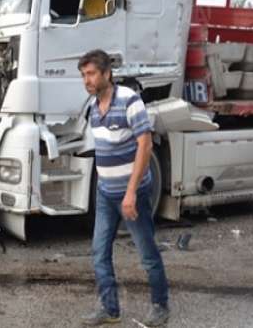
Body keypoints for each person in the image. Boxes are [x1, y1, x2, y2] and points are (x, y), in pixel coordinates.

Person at [78, 50, 169, 326]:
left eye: (91, 73)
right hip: (105, 192)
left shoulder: (130, 101)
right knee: (99, 251)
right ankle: (110, 308)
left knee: (146, 252)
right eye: (83, 75)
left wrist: (130, 192)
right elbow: (104, 148)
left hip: (133, 193)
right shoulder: (93, 107)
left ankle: (160, 305)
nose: (87, 80)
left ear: (107, 74)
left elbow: (145, 145)